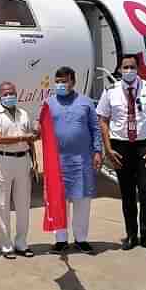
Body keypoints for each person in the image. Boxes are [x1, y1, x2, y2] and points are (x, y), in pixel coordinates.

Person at [97, 54, 146, 253]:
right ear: (120, 69)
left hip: (144, 146)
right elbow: (102, 119)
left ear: (138, 68)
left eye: (132, 66)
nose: (129, 70)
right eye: (125, 67)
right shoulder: (110, 91)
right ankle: (131, 235)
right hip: (121, 147)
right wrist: (108, 148)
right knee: (127, 193)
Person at [46, 67, 103, 255]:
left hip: (82, 160)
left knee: (82, 201)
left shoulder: (86, 103)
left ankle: (81, 239)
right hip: (57, 162)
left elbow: (95, 129)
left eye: (64, 81)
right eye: (58, 81)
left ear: (73, 82)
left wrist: (97, 151)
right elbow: (43, 130)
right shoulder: (48, 104)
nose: (60, 85)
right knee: (59, 201)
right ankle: (60, 240)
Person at [0, 81, 38, 259]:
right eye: (5, 93)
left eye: (12, 93)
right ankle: (6, 246)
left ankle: (22, 243)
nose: (9, 96)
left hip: (22, 160)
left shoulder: (24, 113)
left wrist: (34, 162)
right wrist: (23, 137)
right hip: (2, 161)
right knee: (2, 205)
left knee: (23, 204)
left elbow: (31, 140)